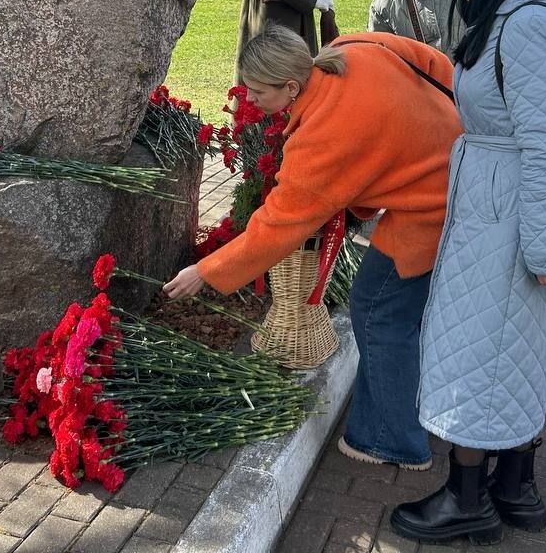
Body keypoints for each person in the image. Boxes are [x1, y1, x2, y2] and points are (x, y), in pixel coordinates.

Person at [164, 26, 463, 472]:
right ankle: (404, 413)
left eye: (259, 92)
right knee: (394, 311)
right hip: (461, 162)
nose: (251, 101)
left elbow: (277, 224)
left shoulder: (323, 135)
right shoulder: (350, 48)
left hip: (433, 204)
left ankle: (392, 439)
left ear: (290, 86)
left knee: (379, 310)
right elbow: (438, 66)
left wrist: (205, 271)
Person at [392, 0, 546, 547]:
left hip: (509, 223)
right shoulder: (517, 17)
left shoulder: (530, 26)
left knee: (482, 357)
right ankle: (515, 488)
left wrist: (542, 249)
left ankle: (469, 498)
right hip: (499, 215)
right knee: (509, 355)